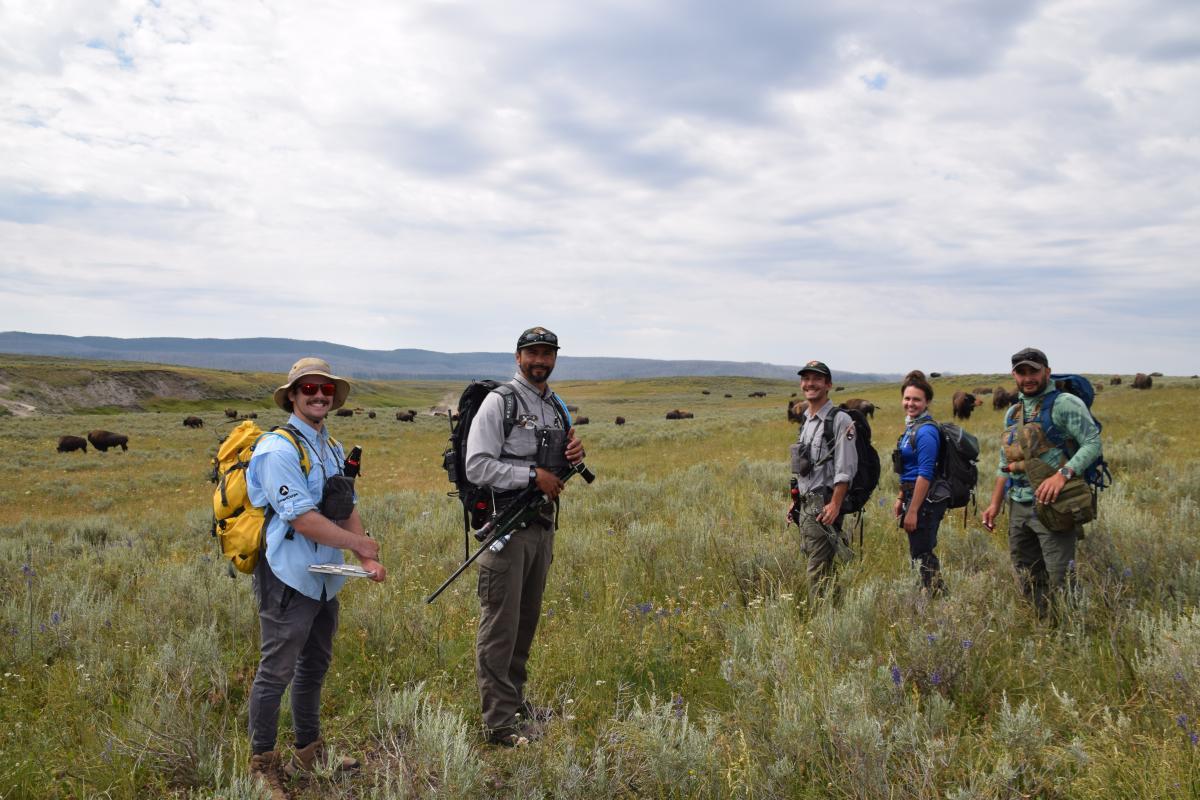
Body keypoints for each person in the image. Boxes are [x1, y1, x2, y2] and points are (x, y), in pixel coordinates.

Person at [245, 357, 386, 794]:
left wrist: (364, 556)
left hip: (325, 575)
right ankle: (262, 764)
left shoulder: (329, 446)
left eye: (326, 389)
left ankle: (309, 752)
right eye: (309, 388)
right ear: (292, 394)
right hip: (289, 575)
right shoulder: (277, 449)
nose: (319, 395)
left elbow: (346, 504)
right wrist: (358, 546)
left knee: (314, 664)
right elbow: (302, 518)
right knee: (277, 670)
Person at [465, 327, 584, 746]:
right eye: (532, 352)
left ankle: (514, 701)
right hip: (506, 528)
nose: (540, 360)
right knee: (501, 625)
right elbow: (476, 466)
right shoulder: (500, 403)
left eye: (547, 353)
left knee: (525, 622)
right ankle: (498, 724)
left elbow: (561, 465)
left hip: (542, 527)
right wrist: (533, 474)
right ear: (518, 357)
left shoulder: (556, 406)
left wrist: (573, 456)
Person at [981, 347, 1102, 616]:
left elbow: (1092, 442)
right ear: (1014, 375)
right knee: (1027, 573)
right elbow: (1005, 463)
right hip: (1019, 505)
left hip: (1055, 504)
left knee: (1061, 577)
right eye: (1021, 372)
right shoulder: (1013, 412)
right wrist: (994, 504)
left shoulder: (1065, 404)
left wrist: (1063, 474)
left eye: (1033, 371)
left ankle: (1074, 631)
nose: (1028, 378)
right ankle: (1044, 626)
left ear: (1046, 371)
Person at [787, 360, 858, 599]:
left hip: (824, 506)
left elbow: (845, 468)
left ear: (828, 384)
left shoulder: (840, 421)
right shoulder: (807, 420)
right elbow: (807, 468)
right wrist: (796, 501)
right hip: (807, 504)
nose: (810, 384)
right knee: (821, 563)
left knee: (816, 569)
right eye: (806, 379)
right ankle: (836, 610)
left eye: (816, 379)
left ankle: (819, 625)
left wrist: (836, 504)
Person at [891, 370, 947, 593]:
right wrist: (900, 497)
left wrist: (912, 510)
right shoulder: (911, 428)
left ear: (927, 402)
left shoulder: (925, 432)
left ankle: (937, 596)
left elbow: (925, 474)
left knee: (922, 552)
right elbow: (908, 471)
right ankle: (930, 593)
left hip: (924, 501)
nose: (910, 403)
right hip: (912, 495)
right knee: (918, 550)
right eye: (907, 398)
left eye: (916, 399)